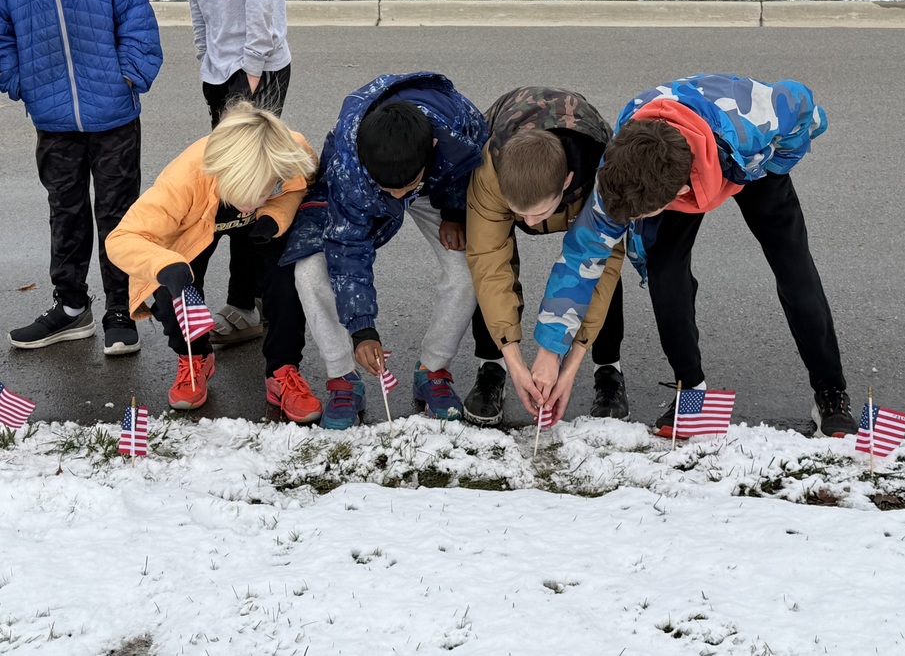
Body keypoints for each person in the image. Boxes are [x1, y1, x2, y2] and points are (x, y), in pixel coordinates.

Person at [531, 74, 858, 439]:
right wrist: (549, 352)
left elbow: (807, 109)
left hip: (746, 156)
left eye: (640, 217)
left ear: (680, 192)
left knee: (794, 267)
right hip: (667, 157)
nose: (633, 223)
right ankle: (692, 391)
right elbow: (580, 258)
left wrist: (774, 164)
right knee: (665, 274)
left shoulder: (754, 121)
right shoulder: (620, 172)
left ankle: (830, 391)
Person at [281, 72, 487, 430]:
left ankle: (433, 369)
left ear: (434, 147)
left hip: (436, 186)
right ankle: (342, 378)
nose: (395, 198)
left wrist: (454, 213)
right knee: (311, 270)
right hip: (361, 189)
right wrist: (363, 330)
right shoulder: (350, 162)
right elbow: (348, 247)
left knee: (468, 268)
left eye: (403, 188)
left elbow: (465, 172)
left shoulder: (459, 127)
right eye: (388, 189)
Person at [0, 0, 162, 356]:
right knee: (65, 211)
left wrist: (129, 74)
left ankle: (120, 308)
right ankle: (71, 308)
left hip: (113, 113)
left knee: (117, 213)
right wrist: (19, 81)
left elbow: (135, 13)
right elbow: (1, 33)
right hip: (52, 117)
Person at [106, 102, 323, 423]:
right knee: (170, 290)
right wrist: (163, 264)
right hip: (193, 227)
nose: (259, 197)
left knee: (287, 277)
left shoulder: (291, 152)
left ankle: (283, 370)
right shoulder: (185, 180)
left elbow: (297, 187)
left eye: (269, 186)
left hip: (264, 225)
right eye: (252, 191)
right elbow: (121, 238)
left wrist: (274, 214)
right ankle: (195, 357)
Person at [464, 86, 628, 426]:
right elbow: (488, 259)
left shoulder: (607, 177)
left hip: (587, 175)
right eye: (519, 214)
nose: (529, 223)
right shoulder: (490, 171)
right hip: (509, 146)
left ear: (567, 183)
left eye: (539, 214)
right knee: (490, 268)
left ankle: (608, 366)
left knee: (599, 266)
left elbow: (601, 265)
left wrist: (566, 364)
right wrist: (515, 360)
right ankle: (490, 364)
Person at [168, 0, 293, 347]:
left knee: (246, 190)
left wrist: (253, 67)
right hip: (219, 71)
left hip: (254, 69)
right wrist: (206, 57)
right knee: (226, 186)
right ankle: (244, 302)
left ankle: (246, 303)